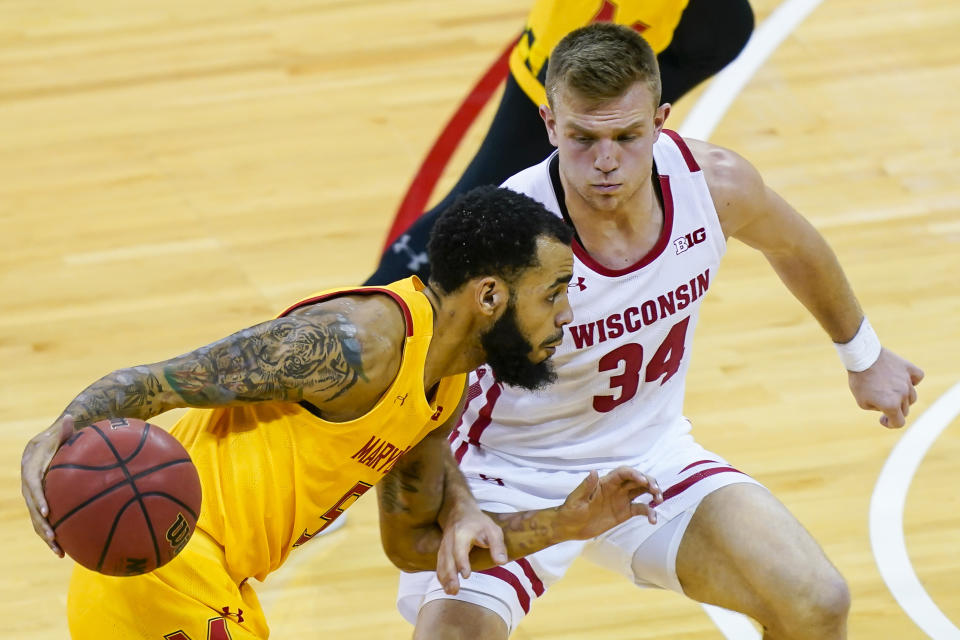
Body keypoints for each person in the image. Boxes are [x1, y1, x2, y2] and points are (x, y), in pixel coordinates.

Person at [392, 24, 925, 640]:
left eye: (627, 135)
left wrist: (863, 354)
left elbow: (796, 245)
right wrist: (456, 503)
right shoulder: (503, 240)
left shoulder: (714, 185)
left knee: (816, 602)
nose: (606, 161)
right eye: (582, 139)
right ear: (548, 124)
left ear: (662, 119)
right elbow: (416, 391)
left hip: (650, 455)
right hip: (507, 472)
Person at [20, 186, 665, 639]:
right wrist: (60, 430)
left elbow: (413, 546)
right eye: (553, 294)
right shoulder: (356, 343)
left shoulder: (443, 385)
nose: (567, 314)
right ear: (490, 295)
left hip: (217, 582)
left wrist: (566, 523)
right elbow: (160, 382)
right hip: (162, 566)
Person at [365, 0, 755, 286]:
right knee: (483, 202)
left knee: (549, 186)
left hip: (673, 27)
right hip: (586, 34)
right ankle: (365, 308)